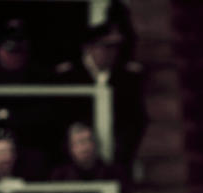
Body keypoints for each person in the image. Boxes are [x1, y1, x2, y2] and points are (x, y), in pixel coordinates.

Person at [55, 21, 148, 170]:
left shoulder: (128, 77)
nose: (112, 53)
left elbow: (136, 119)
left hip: (117, 157)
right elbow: (61, 118)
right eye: (106, 47)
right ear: (89, 48)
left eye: (115, 47)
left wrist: (123, 151)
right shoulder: (69, 75)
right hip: (75, 158)